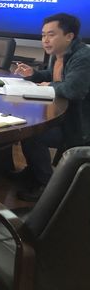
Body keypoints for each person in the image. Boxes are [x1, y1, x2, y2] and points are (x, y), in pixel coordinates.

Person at [12, 13, 90, 202]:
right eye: (43, 35)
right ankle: (33, 171)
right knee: (27, 128)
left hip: (78, 125)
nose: (45, 40)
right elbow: (54, 75)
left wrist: (48, 86)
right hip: (62, 115)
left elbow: (73, 90)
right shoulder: (59, 53)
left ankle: (47, 185)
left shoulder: (83, 57)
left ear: (69, 36)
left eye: (51, 35)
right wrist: (34, 74)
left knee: (34, 134)